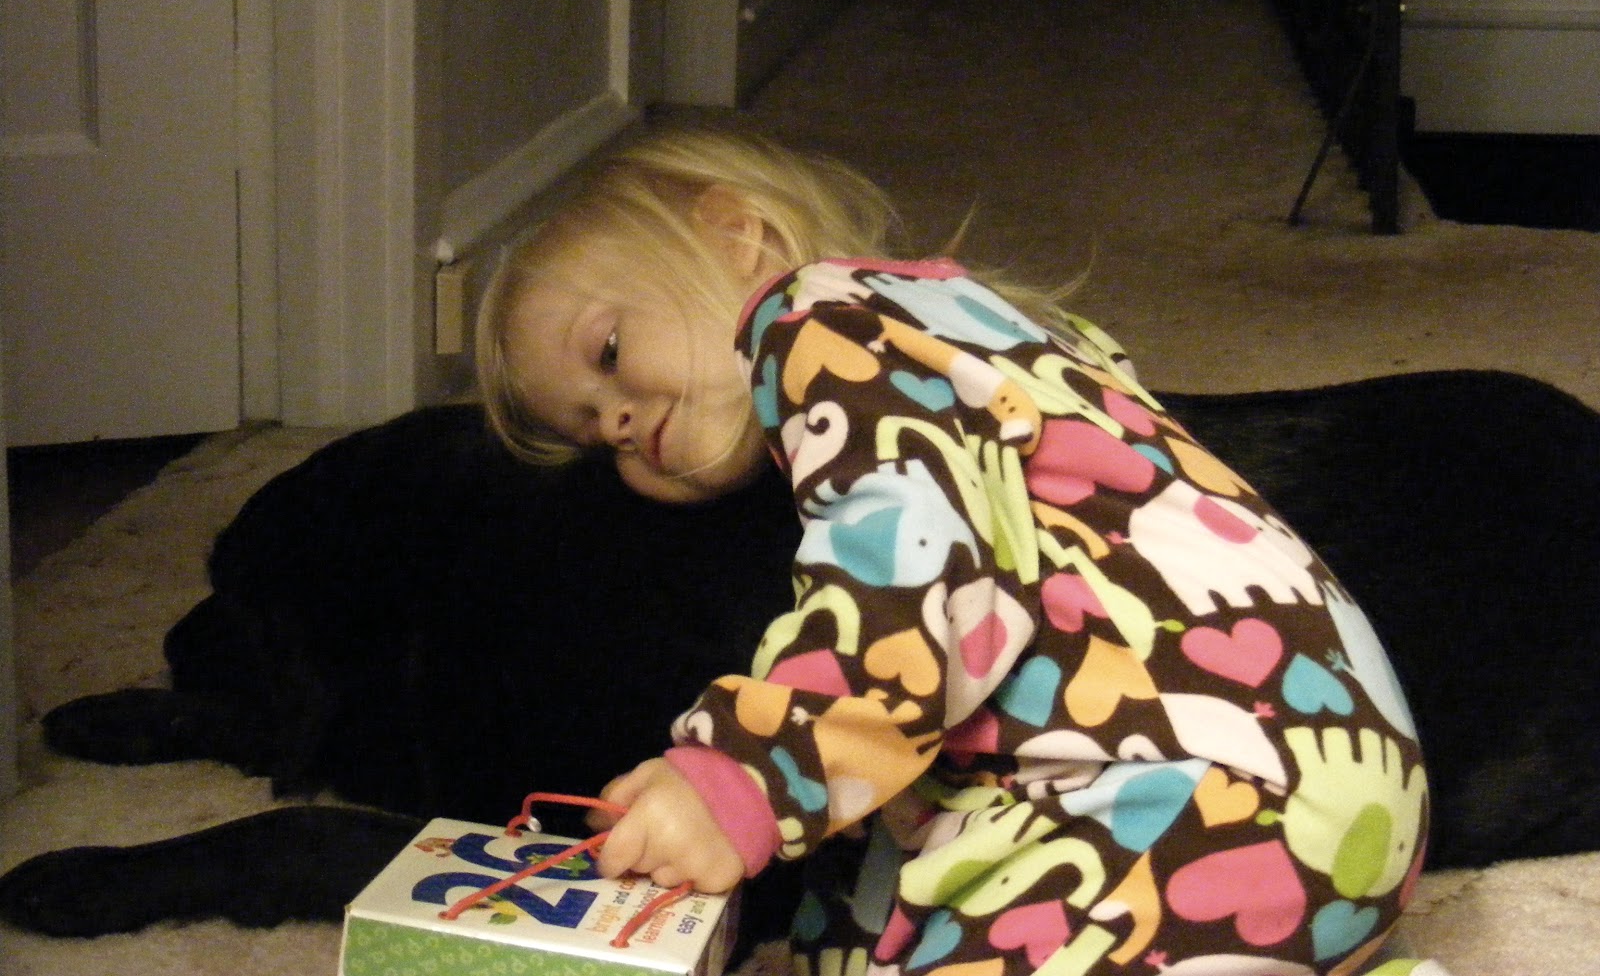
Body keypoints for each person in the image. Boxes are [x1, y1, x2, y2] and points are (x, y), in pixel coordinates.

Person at [474, 126, 1444, 976]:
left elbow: (913, 582)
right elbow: (924, 765)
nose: (619, 422)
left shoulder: (819, 329)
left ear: (737, 235)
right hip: (1316, 782)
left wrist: (743, 777)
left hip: (1202, 795)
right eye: (591, 431)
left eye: (608, 353)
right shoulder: (975, 331)